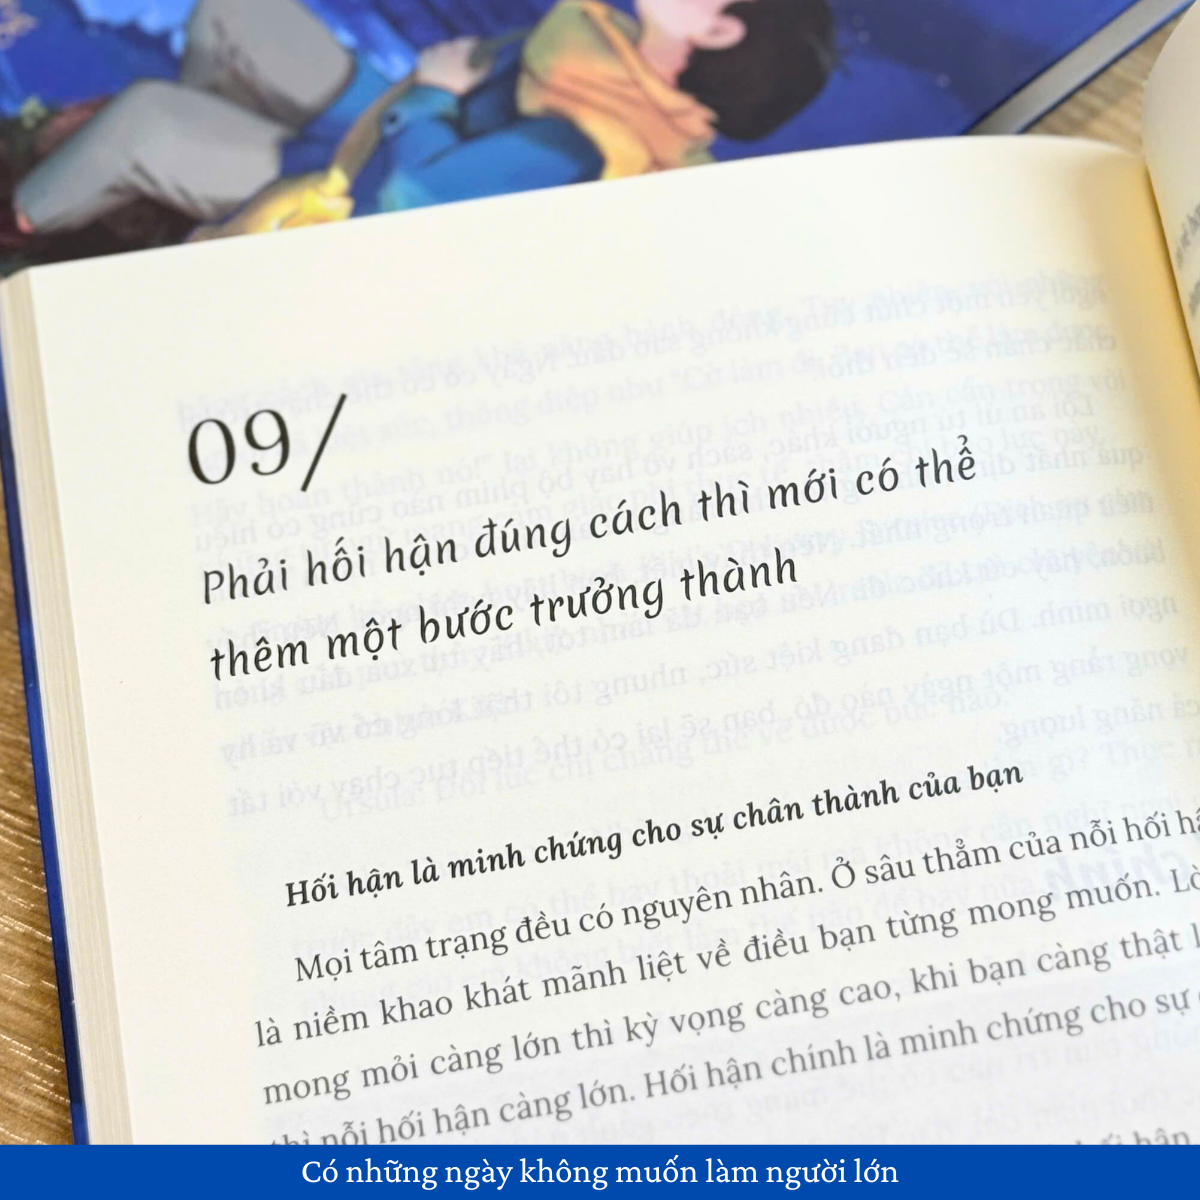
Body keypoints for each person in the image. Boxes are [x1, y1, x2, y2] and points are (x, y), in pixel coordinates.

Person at [14, 0, 834, 239]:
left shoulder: (587, 146)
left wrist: (433, 95)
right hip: (377, 119)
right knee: (237, 13)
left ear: (717, 32)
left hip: (349, 192)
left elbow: (406, 203)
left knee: (146, 119)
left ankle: (20, 222)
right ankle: (168, 194)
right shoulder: (602, 40)